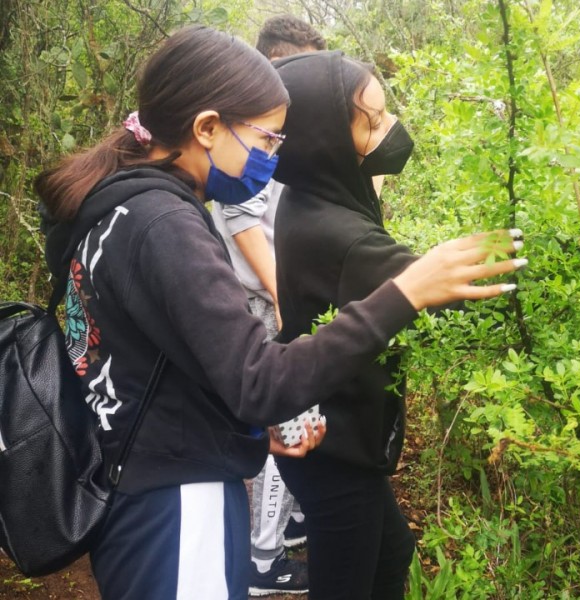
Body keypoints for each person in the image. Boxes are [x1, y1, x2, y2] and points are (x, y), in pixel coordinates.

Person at [35, 26, 524, 600]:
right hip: (174, 506)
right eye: (267, 140)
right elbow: (260, 382)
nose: (274, 157)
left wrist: (245, 427)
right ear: (207, 128)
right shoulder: (164, 225)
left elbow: (152, 358)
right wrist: (407, 292)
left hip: (135, 480)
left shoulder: (112, 204)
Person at [269, 51, 527, 599]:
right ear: (327, 139)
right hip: (335, 450)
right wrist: (544, 249)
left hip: (325, 428)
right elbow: (451, 294)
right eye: (374, 121)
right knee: (351, 582)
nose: (390, 130)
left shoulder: (307, 196)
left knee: (390, 561)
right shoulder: (346, 238)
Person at [210, 14, 327, 597]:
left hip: (278, 296)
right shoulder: (257, 131)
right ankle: (262, 561)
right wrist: (288, 304)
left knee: (296, 420)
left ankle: (289, 531)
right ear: (276, 63)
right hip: (263, 301)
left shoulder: (279, 131)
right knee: (283, 423)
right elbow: (242, 221)